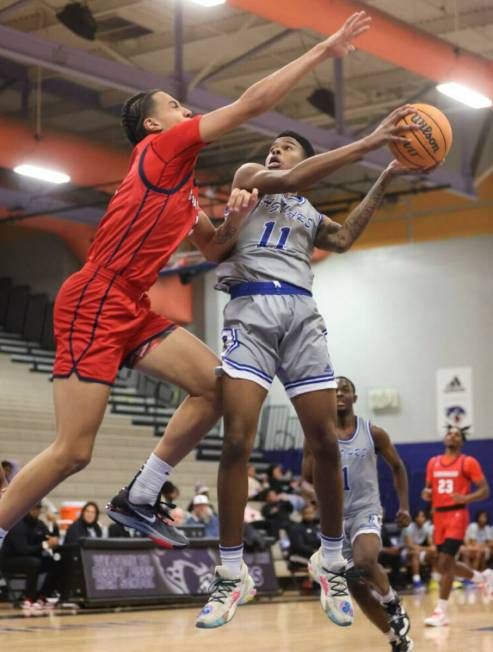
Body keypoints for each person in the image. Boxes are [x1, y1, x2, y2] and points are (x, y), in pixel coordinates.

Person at [0, 11, 373, 553]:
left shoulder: (182, 191)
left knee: (220, 386)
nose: (187, 110)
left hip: (129, 304)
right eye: (175, 106)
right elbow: (252, 104)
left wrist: (238, 220)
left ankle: (142, 492)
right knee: (73, 451)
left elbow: (216, 247)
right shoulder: (160, 150)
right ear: (154, 125)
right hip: (94, 300)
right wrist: (323, 50)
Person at [196, 111, 425, 629]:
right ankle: (231, 571)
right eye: (274, 146)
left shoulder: (308, 212)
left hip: (301, 314)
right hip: (250, 311)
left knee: (324, 440)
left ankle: (331, 561)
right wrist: (370, 142)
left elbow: (342, 239)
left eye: (286, 146)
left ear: (303, 154)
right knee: (236, 440)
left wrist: (385, 179)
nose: (275, 151)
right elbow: (293, 180)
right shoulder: (251, 180)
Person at [305, 376, 413, 651]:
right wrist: (314, 492)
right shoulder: (316, 434)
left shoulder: (373, 432)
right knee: (355, 586)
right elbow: (305, 477)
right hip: (334, 518)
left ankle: (392, 603)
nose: (339, 395)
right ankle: (396, 639)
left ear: (354, 398)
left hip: (365, 509)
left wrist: (403, 506)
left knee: (365, 560)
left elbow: (398, 467)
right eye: (335, 391)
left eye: (345, 391)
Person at [422, 425, 492, 627]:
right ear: (444, 439)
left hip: (457, 514)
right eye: (449, 433)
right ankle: (482, 577)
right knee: (445, 564)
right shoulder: (433, 462)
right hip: (439, 517)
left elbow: (485, 490)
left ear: (461, 441)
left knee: (445, 563)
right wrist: (426, 493)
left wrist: (467, 497)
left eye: (456, 434)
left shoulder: (467, 462)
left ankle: (440, 611)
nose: (451, 435)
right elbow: (428, 489)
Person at [0, 503, 60, 610]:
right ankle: (29, 598)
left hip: (31, 558)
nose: (35, 510)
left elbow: (52, 539)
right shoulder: (17, 524)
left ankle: (42, 596)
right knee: (34, 562)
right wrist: (44, 545)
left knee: (54, 563)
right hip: (9, 561)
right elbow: (22, 550)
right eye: (33, 507)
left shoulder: (40, 524)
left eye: (38, 508)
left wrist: (54, 524)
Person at [403, 509, 436, 591]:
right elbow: (410, 546)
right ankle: (416, 582)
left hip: (419, 551)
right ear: (415, 518)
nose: (421, 518)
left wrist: (426, 549)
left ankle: (434, 579)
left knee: (434, 554)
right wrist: (424, 549)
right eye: (419, 516)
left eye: (423, 516)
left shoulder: (426, 527)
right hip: (404, 552)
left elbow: (431, 545)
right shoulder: (408, 527)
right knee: (415, 553)